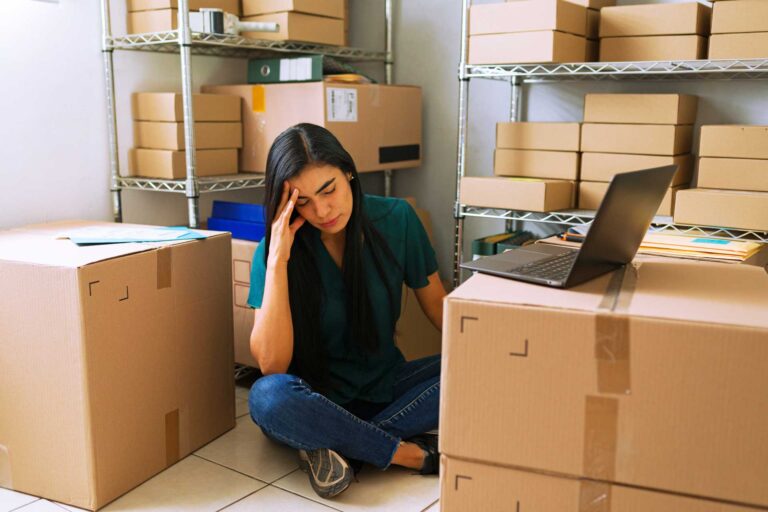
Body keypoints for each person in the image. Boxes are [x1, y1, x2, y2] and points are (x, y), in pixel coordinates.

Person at [246, 123, 447, 499]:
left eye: (329, 189)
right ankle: (405, 454)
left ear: (349, 174)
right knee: (267, 397)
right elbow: (273, 365)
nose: (322, 210)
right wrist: (277, 260)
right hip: (312, 396)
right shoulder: (275, 249)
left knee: (477, 365)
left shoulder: (399, 219)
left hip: (386, 385)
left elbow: (438, 305)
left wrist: (490, 350)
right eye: (302, 201)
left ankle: (335, 443)